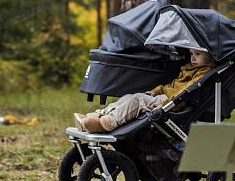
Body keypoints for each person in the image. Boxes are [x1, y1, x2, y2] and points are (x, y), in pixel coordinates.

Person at [74, 49, 214, 133]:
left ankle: (110, 121)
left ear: (210, 56)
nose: (193, 57)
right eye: (191, 54)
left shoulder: (203, 74)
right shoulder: (189, 68)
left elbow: (186, 93)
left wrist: (166, 104)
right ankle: (98, 116)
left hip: (173, 103)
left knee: (138, 100)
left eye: (198, 54)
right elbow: (171, 86)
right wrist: (155, 91)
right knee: (129, 96)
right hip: (166, 97)